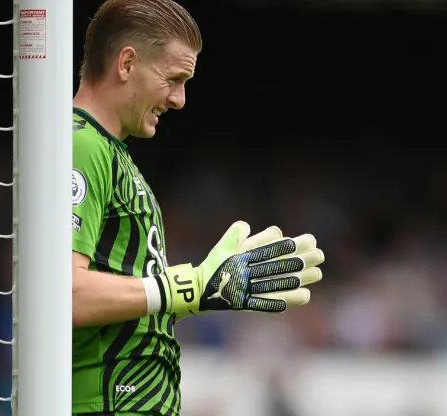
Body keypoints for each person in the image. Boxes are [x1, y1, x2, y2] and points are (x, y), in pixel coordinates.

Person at [71, 1, 326, 415]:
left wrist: (203, 294)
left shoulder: (113, 156)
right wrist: (190, 284)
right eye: (174, 79)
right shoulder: (81, 145)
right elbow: (65, 294)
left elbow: (133, 307)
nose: (180, 99)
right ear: (127, 63)